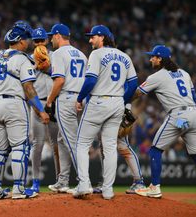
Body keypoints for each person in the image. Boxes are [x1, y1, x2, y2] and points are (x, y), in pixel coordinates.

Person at [0, 21, 50, 200]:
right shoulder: (23, 59)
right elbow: (29, 89)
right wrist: (41, 110)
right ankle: (18, 189)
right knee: (20, 146)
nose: (29, 42)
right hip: (14, 105)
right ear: (21, 41)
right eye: (27, 39)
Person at [74, 25, 138, 200]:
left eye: (92, 36)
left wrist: (79, 98)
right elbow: (133, 84)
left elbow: (90, 80)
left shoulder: (96, 54)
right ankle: (108, 190)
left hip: (98, 101)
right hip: (117, 102)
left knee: (82, 144)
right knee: (110, 147)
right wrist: (121, 101)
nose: (90, 40)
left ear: (102, 37)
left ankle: (83, 185)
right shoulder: (125, 56)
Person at [132, 45, 196, 198]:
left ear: (160, 59)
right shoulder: (185, 73)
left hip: (178, 116)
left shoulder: (157, 76)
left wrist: (123, 100)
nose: (151, 59)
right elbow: (195, 98)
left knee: (155, 149)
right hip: (193, 116)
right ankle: (154, 187)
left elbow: (137, 93)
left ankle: (154, 187)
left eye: (153, 56)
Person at [45, 23, 88, 193]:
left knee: (72, 142)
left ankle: (84, 182)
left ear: (57, 35)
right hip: (80, 99)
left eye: (51, 36)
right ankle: (63, 181)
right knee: (63, 140)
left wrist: (49, 101)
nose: (50, 40)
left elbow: (60, 80)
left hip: (67, 98)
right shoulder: (82, 54)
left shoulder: (58, 53)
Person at [29, 27, 61, 193]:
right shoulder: (28, 59)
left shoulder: (55, 56)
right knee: (38, 144)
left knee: (57, 145)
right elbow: (26, 86)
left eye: (42, 40)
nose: (39, 43)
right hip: (37, 104)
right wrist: (36, 65)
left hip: (55, 104)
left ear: (47, 40)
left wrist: (47, 68)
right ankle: (35, 181)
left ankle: (60, 180)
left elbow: (61, 77)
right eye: (36, 40)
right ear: (33, 41)